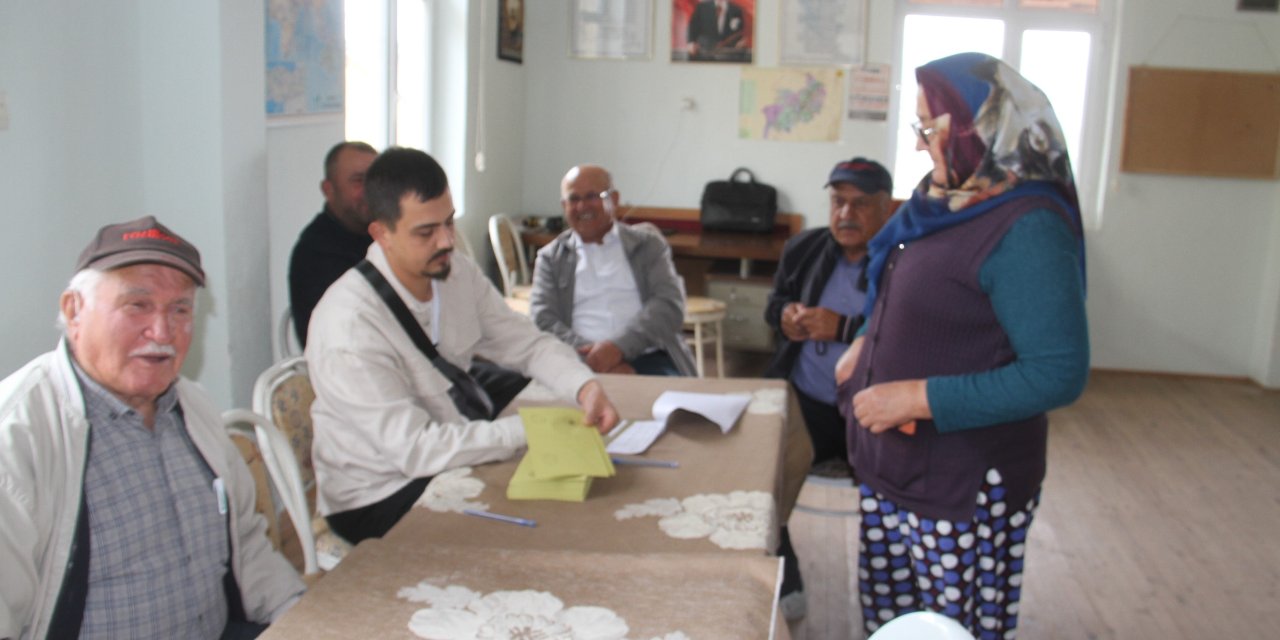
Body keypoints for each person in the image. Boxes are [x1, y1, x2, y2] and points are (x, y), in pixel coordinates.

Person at [834, 52, 1089, 639]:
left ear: (980, 126)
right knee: (894, 623)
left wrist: (918, 398)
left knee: (949, 629)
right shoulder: (943, 200)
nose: (919, 144)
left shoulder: (1027, 227)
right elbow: (906, 287)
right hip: (893, 464)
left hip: (961, 481)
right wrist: (867, 340)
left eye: (930, 128)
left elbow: (1058, 373)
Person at [0, 216, 305, 639]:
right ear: (74, 310)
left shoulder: (192, 406)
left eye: (180, 309)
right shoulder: (17, 436)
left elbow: (248, 546)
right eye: (137, 305)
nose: (162, 331)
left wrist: (302, 620)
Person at [306, 148, 621, 544]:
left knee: (572, 497)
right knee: (534, 527)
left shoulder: (454, 272)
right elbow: (415, 450)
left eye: (449, 222)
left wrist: (584, 386)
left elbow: (526, 343)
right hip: (378, 494)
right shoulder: (350, 327)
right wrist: (529, 430)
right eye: (426, 232)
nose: (446, 241)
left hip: (445, 446)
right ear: (381, 234)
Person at [764, 157, 894, 469]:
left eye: (860, 204)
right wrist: (784, 315)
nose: (846, 214)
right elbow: (774, 304)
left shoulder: (904, 260)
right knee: (777, 473)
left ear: (886, 208)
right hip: (806, 402)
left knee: (874, 484)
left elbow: (912, 335)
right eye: (838, 202)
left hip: (874, 407)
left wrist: (844, 329)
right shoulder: (802, 248)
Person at [530, 164, 697, 377]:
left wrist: (618, 348)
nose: (582, 206)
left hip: (649, 355)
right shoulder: (551, 258)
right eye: (573, 199)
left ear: (614, 199)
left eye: (592, 196)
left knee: (670, 398)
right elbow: (543, 320)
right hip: (577, 359)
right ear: (564, 206)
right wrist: (595, 357)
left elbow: (668, 305)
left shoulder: (647, 245)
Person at [288, 141, 378, 346]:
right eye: (358, 181)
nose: (370, 191)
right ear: (328, 190)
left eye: (375, 180)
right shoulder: (316, 253)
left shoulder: (383, 234)